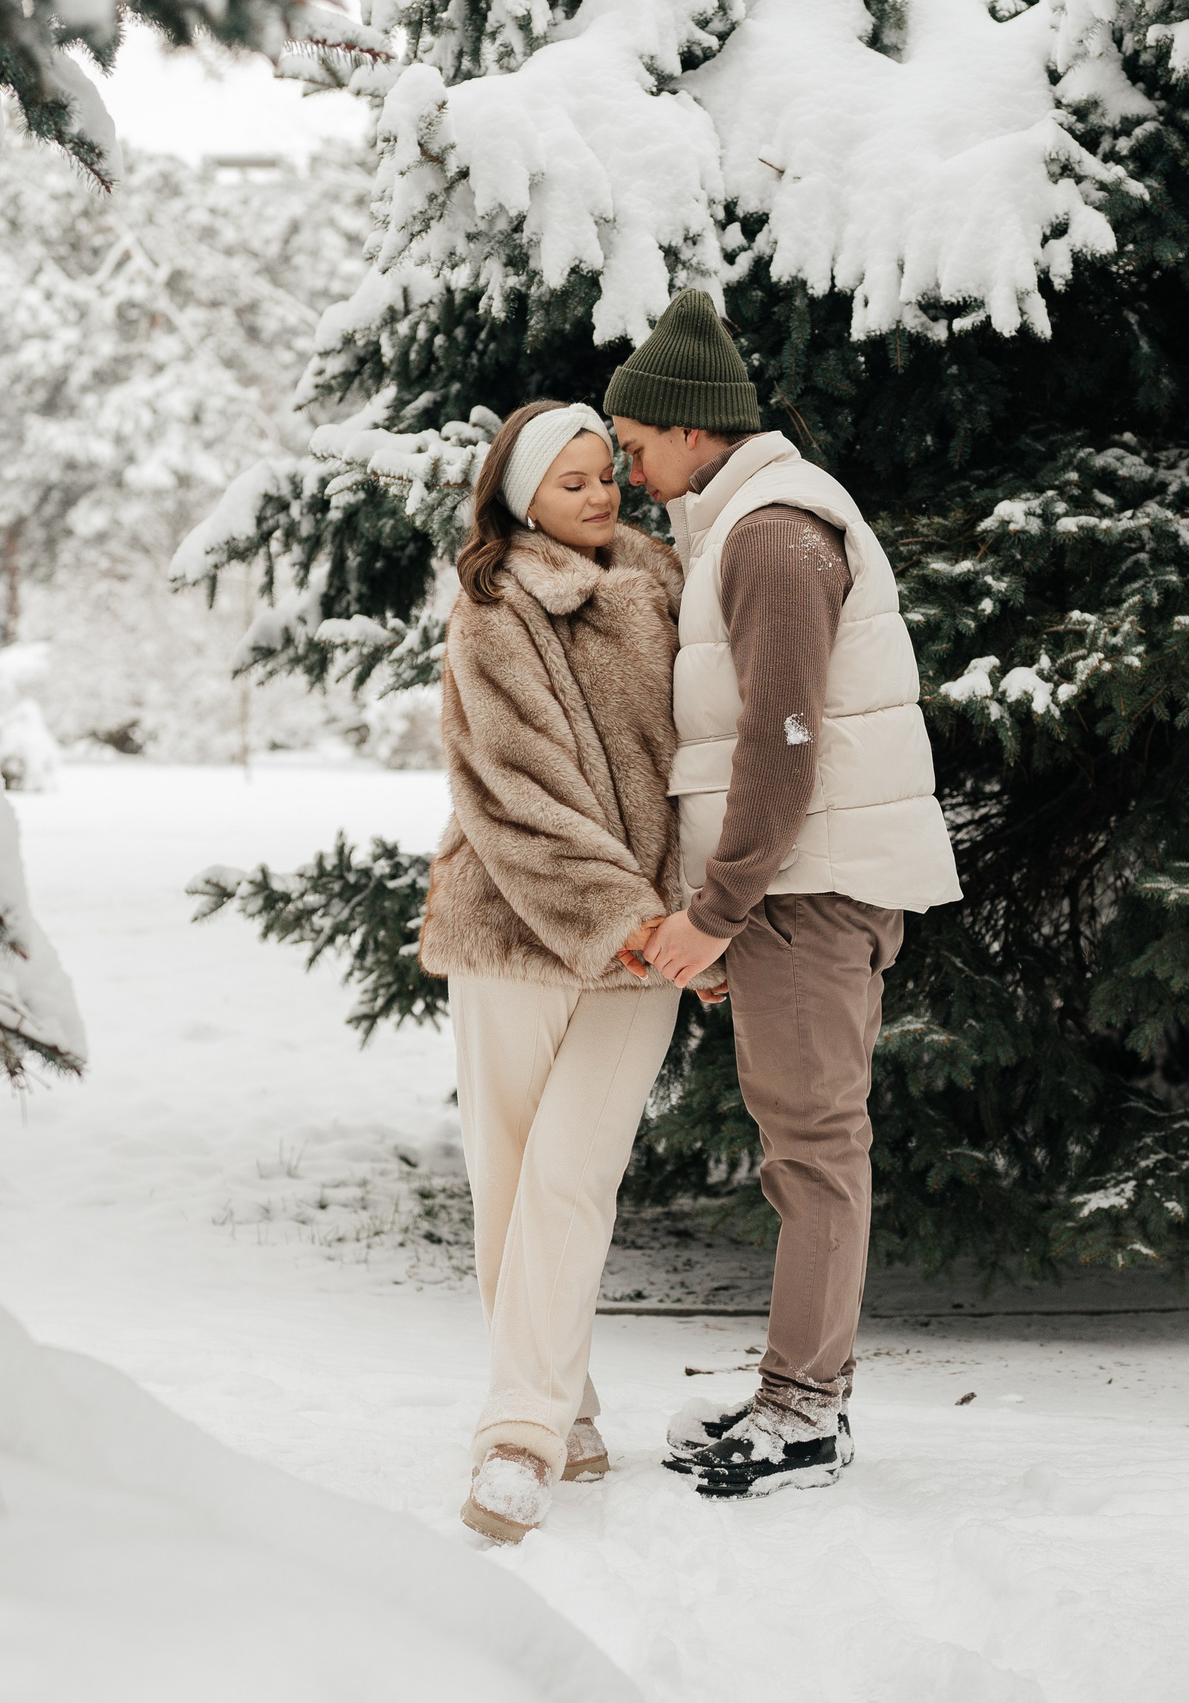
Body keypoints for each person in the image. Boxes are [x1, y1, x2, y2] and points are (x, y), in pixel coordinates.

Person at [608, 291, 963, 1499]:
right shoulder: (752, 521)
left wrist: (719, 903)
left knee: (814, 1147)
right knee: (803, 1145)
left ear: (691, 427)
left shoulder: (771, 532)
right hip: (797, 886)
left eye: (637, 441)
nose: (628, 467)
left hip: (806, 887)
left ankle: (803, 1411)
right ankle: (796, 1387)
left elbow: (784, 736)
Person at [415, 399, 713, 1543]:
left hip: (648, 941)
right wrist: (619, 915)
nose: (604, 495)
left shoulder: (670, 584)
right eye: (575, 481)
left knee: (576, 1172)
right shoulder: (494, 607)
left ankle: (516, 1432)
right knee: (510, 1174)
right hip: (516, 929)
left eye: (608, 474)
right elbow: (517, 791)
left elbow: (705, 761)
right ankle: (555, 1414)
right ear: (517, 492)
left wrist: (685, 924)